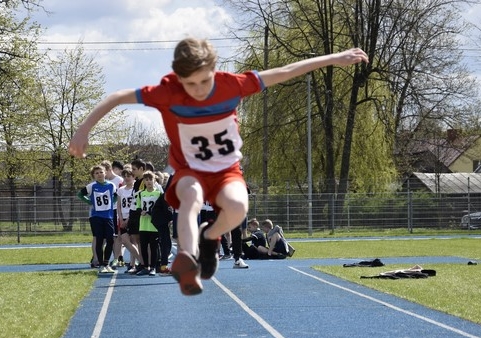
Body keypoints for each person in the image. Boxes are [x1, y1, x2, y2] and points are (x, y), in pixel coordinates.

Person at [68, 37, 368, 296]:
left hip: (226, 171)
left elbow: (287, 70)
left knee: (238, 208)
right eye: (190, 84)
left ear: (215, 71)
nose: (197, 89)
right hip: (189, 170)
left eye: (204, 81)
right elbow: (116, 96)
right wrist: (84, 130)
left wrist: (335, 58)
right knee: (190, 198)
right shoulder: (167, 90)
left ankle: (211, 237)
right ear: (178, 77)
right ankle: (186, 259)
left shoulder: (232, 84)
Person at [77, 165, 117, 274]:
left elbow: (116, 195)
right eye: (96, 173)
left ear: (105, 173)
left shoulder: (111, 185)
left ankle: (106, 263)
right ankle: (100, 265)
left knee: (110, 240)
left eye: (101, 172)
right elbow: (80, 194)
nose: (99, 174)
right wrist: (89, 202)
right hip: (96, 217)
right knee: (99, 240)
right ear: (94, 175)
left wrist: (112, 202)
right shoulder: (91, 186)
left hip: (108, 216)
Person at [135, 171, 162, 276]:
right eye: (146, 180)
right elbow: (137, 207)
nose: (149, 181)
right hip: (143, 225)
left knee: (154, 247)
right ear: (144, 182)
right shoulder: (141, 194)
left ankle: (153, 267)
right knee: (144, 246)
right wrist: (140, 212)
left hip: (154, 225)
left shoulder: (158, 194)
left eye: (150, 179)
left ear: (154, 180)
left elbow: (160, 209)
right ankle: (146, 267)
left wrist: (151, 213)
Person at [116, 168, 141, 270]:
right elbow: (119, 206)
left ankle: (133, 264)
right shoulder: (121, 190)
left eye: (129, 176)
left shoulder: (136, 189)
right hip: (123, 217)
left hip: (133, 217)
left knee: (134, 241)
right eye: (125, 176)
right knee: (125, 241)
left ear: (133, 177)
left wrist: (128, 220)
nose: (126, 178)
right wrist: (121, 219)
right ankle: (141, 261)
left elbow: (135, 205)